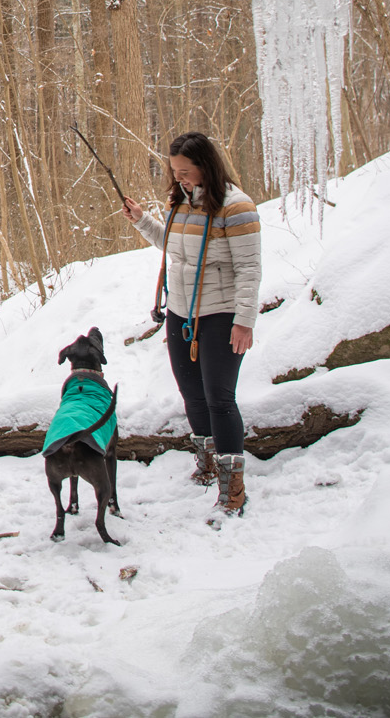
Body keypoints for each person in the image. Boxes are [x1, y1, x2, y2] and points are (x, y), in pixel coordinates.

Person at [120, 132, 262, 515]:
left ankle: (232, 486)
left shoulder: (237, 207)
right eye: (176, 172)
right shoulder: (180, 203)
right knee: (193, 396)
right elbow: (175, 246)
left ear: (206, 166)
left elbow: (250, 269)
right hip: (181, 314)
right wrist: (142, 221)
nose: (180, 178)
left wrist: (244, 321)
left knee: (220, 398)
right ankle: (207, 465)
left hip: (220, 316)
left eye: (186, 171)